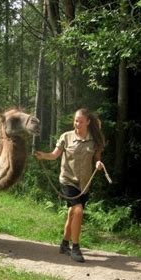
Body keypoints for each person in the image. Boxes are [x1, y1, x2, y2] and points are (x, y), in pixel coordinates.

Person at [34, 108, 105, 263]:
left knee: (72, 213)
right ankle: (76, 248)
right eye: (75, 120)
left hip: (84, 183)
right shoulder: (66, 137)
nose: (77, 123)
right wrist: (43, 156)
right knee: (78, 211)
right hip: (67, 180)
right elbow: (54, 155)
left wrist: (99, 163)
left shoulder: (94, 140)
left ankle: (64, 244)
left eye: (80, 121)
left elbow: (97, 158)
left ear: (87, 122)